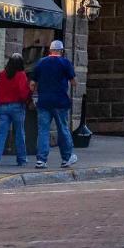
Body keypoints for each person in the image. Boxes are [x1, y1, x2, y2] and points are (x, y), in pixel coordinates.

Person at [29, 39, 77, 169]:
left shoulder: (41, 63)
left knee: (43, 131)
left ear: (50, 50)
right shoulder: (65, 63)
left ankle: (41, 160)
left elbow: (32, 84)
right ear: (61, 51)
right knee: (63, 129)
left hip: (44, 101)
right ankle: (66, 158)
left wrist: (33, 96)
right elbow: (73, 82)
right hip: (60, 101)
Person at [0, 54, 31, 167]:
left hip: (2, 107)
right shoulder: (21, 75)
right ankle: (21, 159)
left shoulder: (3, 74)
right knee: (19, 133)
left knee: (1, 133)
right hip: (17, 107)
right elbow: (23, 93)